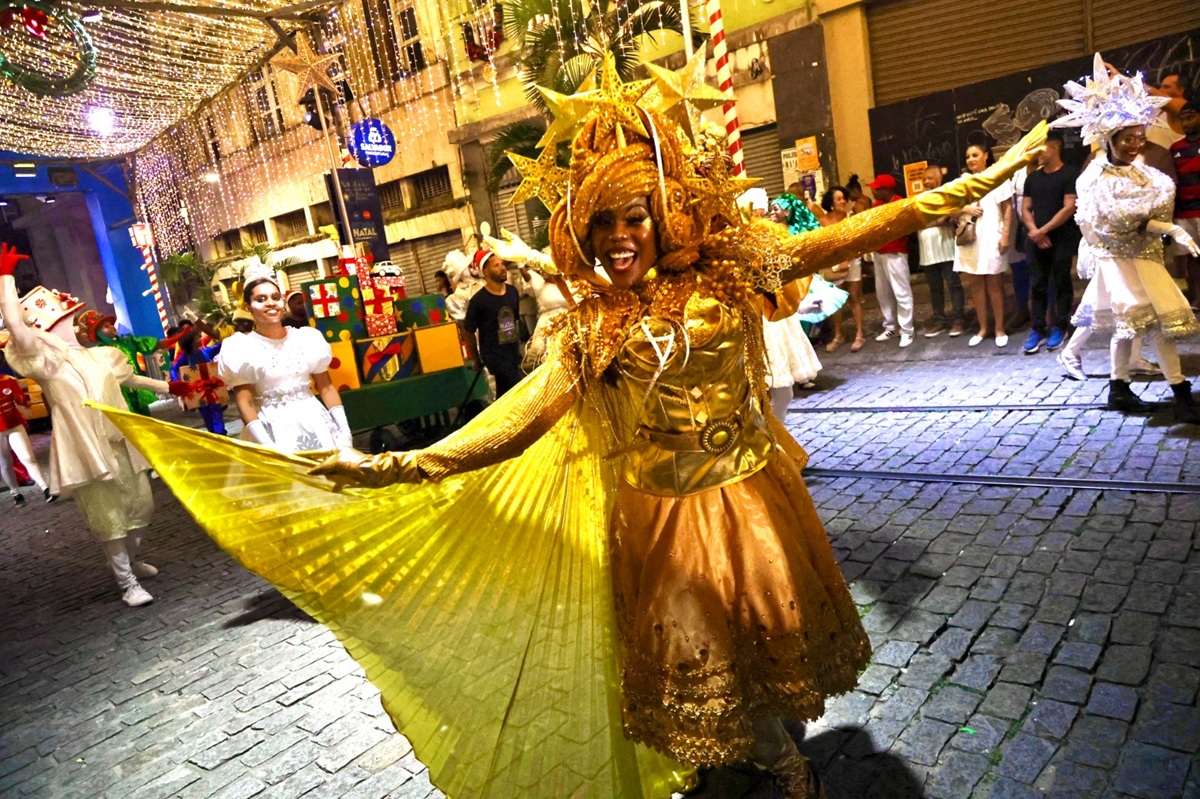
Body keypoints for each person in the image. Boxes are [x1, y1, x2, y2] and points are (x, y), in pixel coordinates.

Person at [99, 60, 1047, 799]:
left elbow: (852, 232)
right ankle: (746, 753)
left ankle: (775, 752)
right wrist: (402, 466)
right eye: (601, 229)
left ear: (662, 213)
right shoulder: (592, 331)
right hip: (663, 517)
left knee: (761, 637)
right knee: (700, 647)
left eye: (634, 217)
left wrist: (971, 190)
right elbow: (514, 423)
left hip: (753, 497)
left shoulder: (728, 272)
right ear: (584, 239)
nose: (619, 239)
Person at [0, 243, 190, 607]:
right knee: (108, 517)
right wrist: (5, 280)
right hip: (85, 446)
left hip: (120, 441)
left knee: (142, 506)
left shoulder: (99, 356)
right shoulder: (45, 363)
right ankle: (127, 581)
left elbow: (129, 379)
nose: (71, 321)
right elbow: (16, 327)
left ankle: (130, 559)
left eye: (69, 316)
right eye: (64, 317)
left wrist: (170, 387)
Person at [1055, 54, 1200, 422]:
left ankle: (1119, 388)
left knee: (1133, 326)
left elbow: (1159, 199)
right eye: (1128, 139)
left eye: (1140, 137)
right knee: (1151, 324)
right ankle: (1180, 392)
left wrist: (1158, 223)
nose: (1136, 144)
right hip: (1119, 261)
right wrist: (1169, 228)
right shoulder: (1095, 178)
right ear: (1110, 140)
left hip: (1144, 258)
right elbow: (1118, 221)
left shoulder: (1141, 172)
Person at [217, 264, 352, 453]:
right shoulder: (241, 347)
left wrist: (345, 432)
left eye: (275, 297)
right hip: (271, 430)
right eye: (260, 299)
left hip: (316, 422)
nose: (270, 303)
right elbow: (245, 402)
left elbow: (326, 387)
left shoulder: (306, 338)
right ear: (248, 308)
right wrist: (268, 447)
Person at [1020, 131, 1080, 353]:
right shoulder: (1033, 178)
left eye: (1040, 149)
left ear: (1053, 148)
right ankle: (1038, 328)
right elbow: (1025, 208)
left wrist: (1043, 231)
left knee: (1062, 281)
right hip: (1036, 239)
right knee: (1037, 284)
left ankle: (1061, 326)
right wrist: (1034, 231)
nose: (1036, 154)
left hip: (1062, 237)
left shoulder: (1070, 174)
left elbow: (1069, 207)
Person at [955, 142, 1014, 347]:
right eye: (968, 157)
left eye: (975, 155)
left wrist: (1005, 235)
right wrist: (966, 209)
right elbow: (950, 207)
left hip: (992, 235)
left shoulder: (997, 177)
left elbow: (1007, 208)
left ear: (986, 156)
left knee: (995, 285)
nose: (971, 159)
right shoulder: (963, 182)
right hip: (970, 238)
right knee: (976, 284)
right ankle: (982, 328)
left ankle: (999, 328)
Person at [75, 310, 184, 416]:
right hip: (120, 396)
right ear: (98, 334)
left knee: (146, 420)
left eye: (110, 324)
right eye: (106, 326)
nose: (112, 327)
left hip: (138, 390)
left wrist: (181, 335)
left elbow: (156, 345)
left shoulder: (128, 341)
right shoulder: (99, 354)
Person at [463, 248, 524, 398]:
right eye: (496, 265)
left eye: (502, 264)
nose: (502, 268)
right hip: (494, 356)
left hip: (513, 353)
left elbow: (514, 321)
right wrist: (476, 358)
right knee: (518, 389)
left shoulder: (512, 292)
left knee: (507, 395)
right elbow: (469, 330)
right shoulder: (478, 301)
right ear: (486, 272)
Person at [813, 186, 866, 351]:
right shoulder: (822, 221)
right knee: (835, 300)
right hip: (833, 265)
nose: (843, 201)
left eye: (844, 198)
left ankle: (860, 334)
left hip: (852, 261)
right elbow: (821, 245)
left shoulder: (851, 218)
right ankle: (838, 334)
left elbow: (857, 242)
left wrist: (847, 258)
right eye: (839, 199)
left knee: (854, 297)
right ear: (831, 202)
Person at [866, 174, 915, 347]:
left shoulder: (899, 203)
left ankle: (907, 330)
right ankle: (890, 326)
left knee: (901, 292)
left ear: (887, 190)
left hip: (895, 252)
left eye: (877, 189)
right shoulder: (877, 205)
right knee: (883, 293)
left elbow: (904, 229)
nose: (873, 191)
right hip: (879, 253)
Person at [917, 164, 965, 337]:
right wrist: (938, 220)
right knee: (934, 288)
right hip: (927, 251)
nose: (926, 181)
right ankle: (939, 321)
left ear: (939, 179)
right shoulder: (919, 199)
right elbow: (917, 221)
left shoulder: (946, 195)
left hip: (946, 248)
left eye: (930, 178)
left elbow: (953, 216)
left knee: (954, 284)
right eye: (924, 178)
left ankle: (959, 320)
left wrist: (933, 221)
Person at [0, 366, 51, 505]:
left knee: (27, 457)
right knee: (5, 463)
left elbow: (25, 401)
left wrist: (16, 397)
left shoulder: (8, 380)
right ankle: (15, 493)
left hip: (14, 424)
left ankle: (45, 488)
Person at [170, 325, 226, 435]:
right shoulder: (185, 357)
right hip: (198, 391)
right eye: (197, 338)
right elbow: (174, 369)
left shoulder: (206, 352)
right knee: (206, 414)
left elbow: (221, 345)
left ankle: (220, 433)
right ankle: (214, 433)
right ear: (190, 342)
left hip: (212, 387)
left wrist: (221, 335)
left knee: (216, 411)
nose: (200, 339)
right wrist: (177, 382)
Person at [1170, 100, 1200, 308]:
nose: (1186, 123)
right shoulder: (1175, 148)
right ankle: (1196, 297)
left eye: (1191, 117)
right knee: (1192, 257)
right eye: (1183, 119)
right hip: (1184, 212)